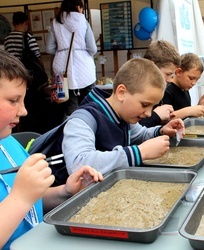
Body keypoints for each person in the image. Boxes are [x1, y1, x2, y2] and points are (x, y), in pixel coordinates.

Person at [0, 49, 103, 250]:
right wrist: (19, 198)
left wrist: (65, 192)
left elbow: (32, 202)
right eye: (13, 100)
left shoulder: (9, 143)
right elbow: (20, 198)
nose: (23, 111)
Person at [61, 58, 185, 176]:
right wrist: (140, 152)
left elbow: (140, 135)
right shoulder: (82, 121)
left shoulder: (124, 115)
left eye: (152, 107)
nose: (148, 113)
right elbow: (78, 165)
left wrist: (161, 131)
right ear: (121, 92)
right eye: (145, 105)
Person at [4, 11, 63, 134]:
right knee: (33, 104)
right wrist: (43, 72)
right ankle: (33, 128)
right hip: (30, 76)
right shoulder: (28, 37)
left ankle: (20, 128)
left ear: (13, 23)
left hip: (13, 75)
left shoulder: (8, 38)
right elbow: (37, 55)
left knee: (18, 101)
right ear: (26, 22)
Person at [46, 0, 97, 119]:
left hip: (62, 69)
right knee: (90, 104)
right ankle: (90, 129)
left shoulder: (55, 22)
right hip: (85, 69)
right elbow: (92, 49)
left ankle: (69, 129)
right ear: (78, 6)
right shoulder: (83, 21)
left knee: (68, 105)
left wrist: (62, 52)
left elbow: (49, 49)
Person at [139, 40, 181, 127]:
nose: (170, 80)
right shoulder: (136, 90)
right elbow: (133, 130)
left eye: (172, 76)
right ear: (152, 66)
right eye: (168, 74)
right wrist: (156, 116)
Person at [162, 53, 204, 120]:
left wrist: (198, 107)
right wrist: (189, 111)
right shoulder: (167, 91)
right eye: (191, 78)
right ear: (179, 72)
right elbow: (164, 119)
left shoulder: (185, 90)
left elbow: (186, 117)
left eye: (197, 79)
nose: (194, 83)